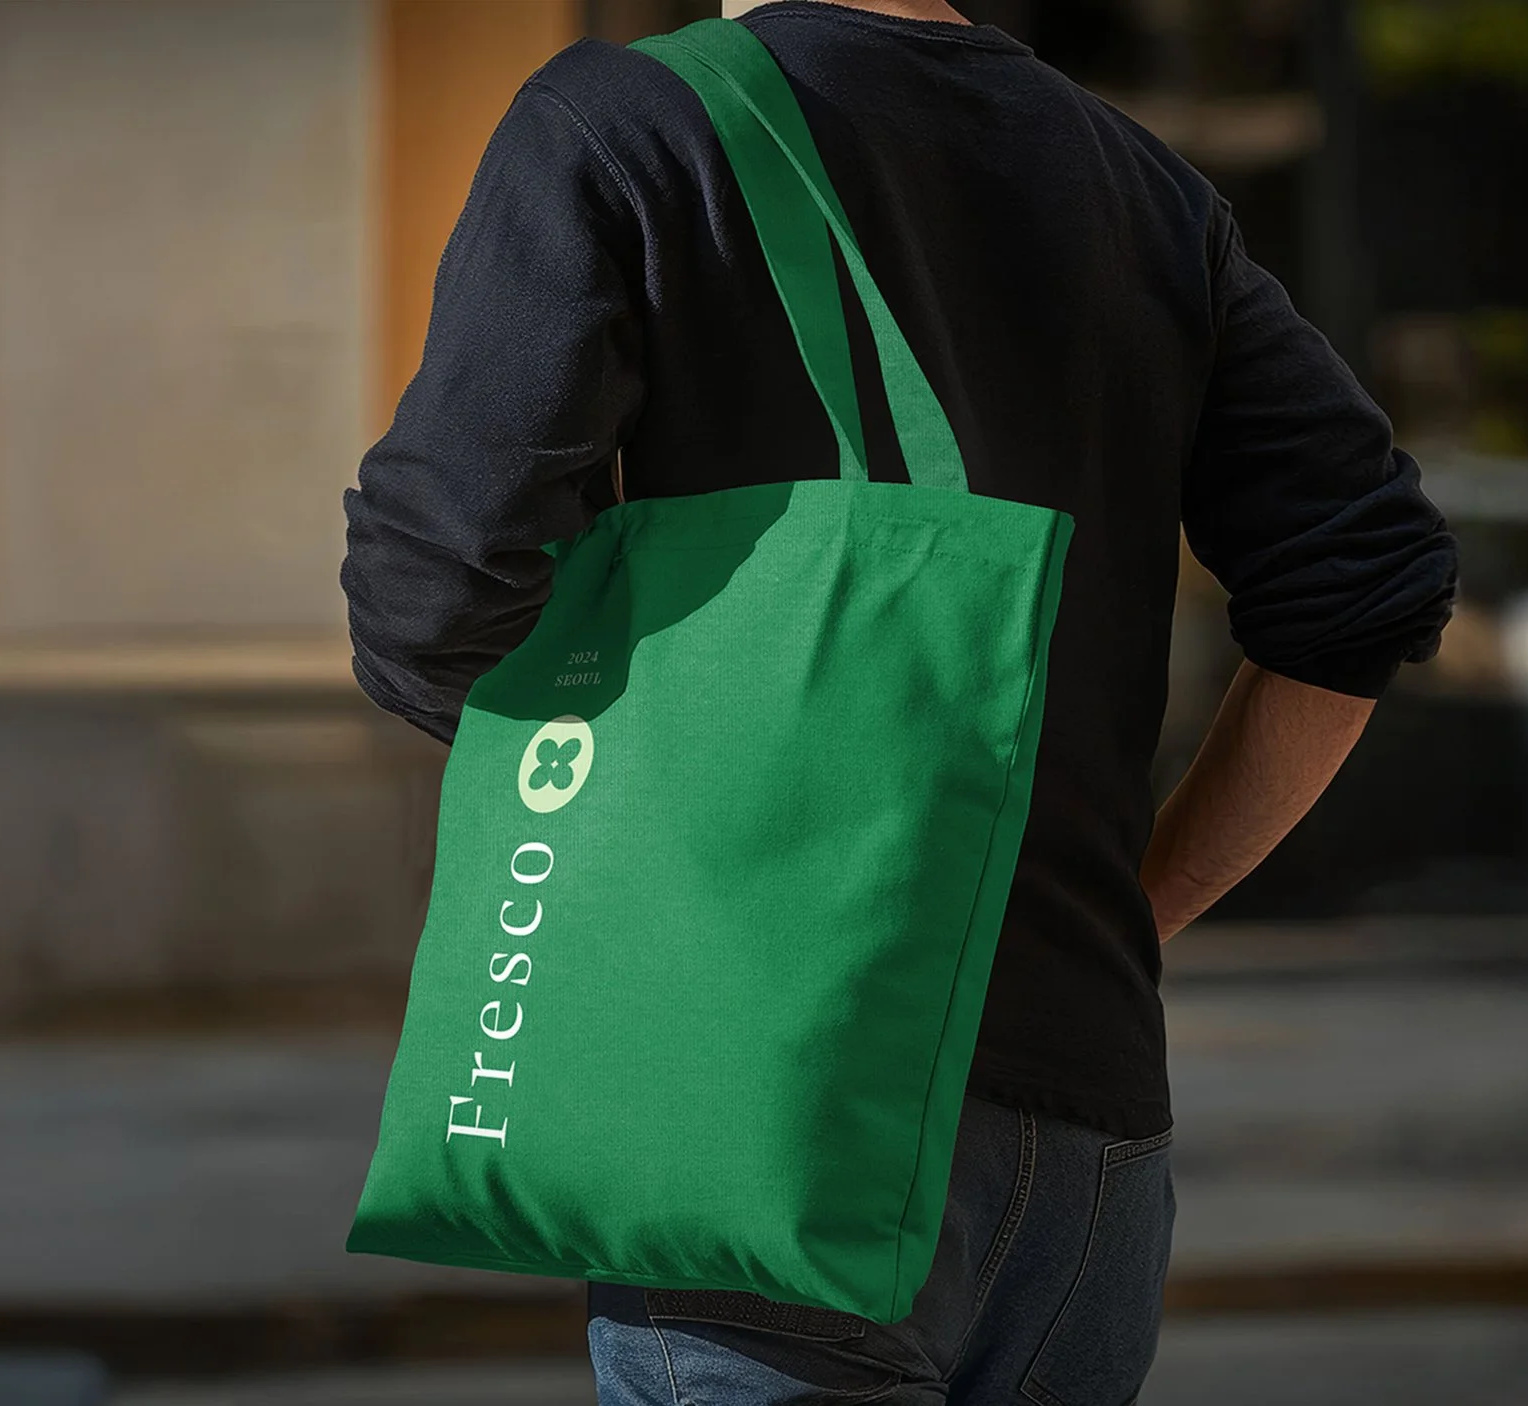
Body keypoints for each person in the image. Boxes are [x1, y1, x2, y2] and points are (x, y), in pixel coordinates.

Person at [341, 0, 1458, 1399]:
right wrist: (1141, 902)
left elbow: (437, 590)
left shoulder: (625, 128)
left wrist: (644, 792)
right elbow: (1368, 586)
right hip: (1088, 1145)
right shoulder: (1146, 190)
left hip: (772, 1099)